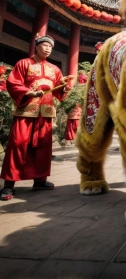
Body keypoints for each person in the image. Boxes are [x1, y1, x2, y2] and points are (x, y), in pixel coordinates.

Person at [0, 35, 73, 201]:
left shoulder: (55, 69)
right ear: (37, 46)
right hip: (26, 111)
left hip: (45, 112)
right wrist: (29, 92)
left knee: (43, 147)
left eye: (50, 47)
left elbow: (58, 93)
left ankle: (40, 180)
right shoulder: (23, 64)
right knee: (18, 145)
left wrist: (65, 85)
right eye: (45, 45)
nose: (48, 49)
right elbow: (13, 83)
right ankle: (9, 185)